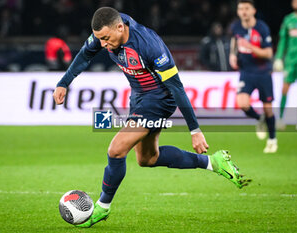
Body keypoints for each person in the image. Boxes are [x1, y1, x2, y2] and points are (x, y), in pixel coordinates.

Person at [53, 7, 251, 228]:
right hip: (139, 97)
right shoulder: (107, 31)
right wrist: (63, 82)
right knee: (147, 158)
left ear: (120, 28)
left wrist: (195, 130)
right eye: (100, 39)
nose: (102, 44)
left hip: (159, 99)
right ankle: (213, 162)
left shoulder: (149, 45)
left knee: (116, 150)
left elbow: (176, 87)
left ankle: (103, 206)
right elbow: (85, 54)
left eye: (106, 39)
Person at [229, 0, 277, 153]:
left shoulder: (261, 28)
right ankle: (259, 119)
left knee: (268, 108)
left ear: (253, 11)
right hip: (246, 72)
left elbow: (268, 53)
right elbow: (234, 40)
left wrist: (251, 47)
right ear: (238, 11)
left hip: (263, 72)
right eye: (241, 8)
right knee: (242, 103)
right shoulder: (236, 26)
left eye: (247, 8)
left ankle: (272, 140)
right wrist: (232, 55)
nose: (244, 11)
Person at [274, 0, 297, 131]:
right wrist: (279, 57)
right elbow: (283, 40)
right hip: (291, 61)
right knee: (284, 89)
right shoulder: (288, 20)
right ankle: (280, 118)